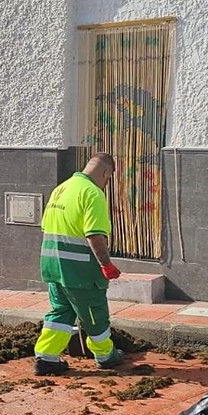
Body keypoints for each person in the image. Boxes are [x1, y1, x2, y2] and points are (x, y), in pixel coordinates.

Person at [33, 153, 124, 376]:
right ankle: (105, 355)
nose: (106, 182)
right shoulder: (92, 193)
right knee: (94, 313)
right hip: (79, 269)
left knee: (61, 311)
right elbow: (94, 235)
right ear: (105, 173)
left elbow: (46, 227)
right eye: (109, 178)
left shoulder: (62, 189)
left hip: (53, 264)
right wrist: (106, 265)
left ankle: (46, 357)